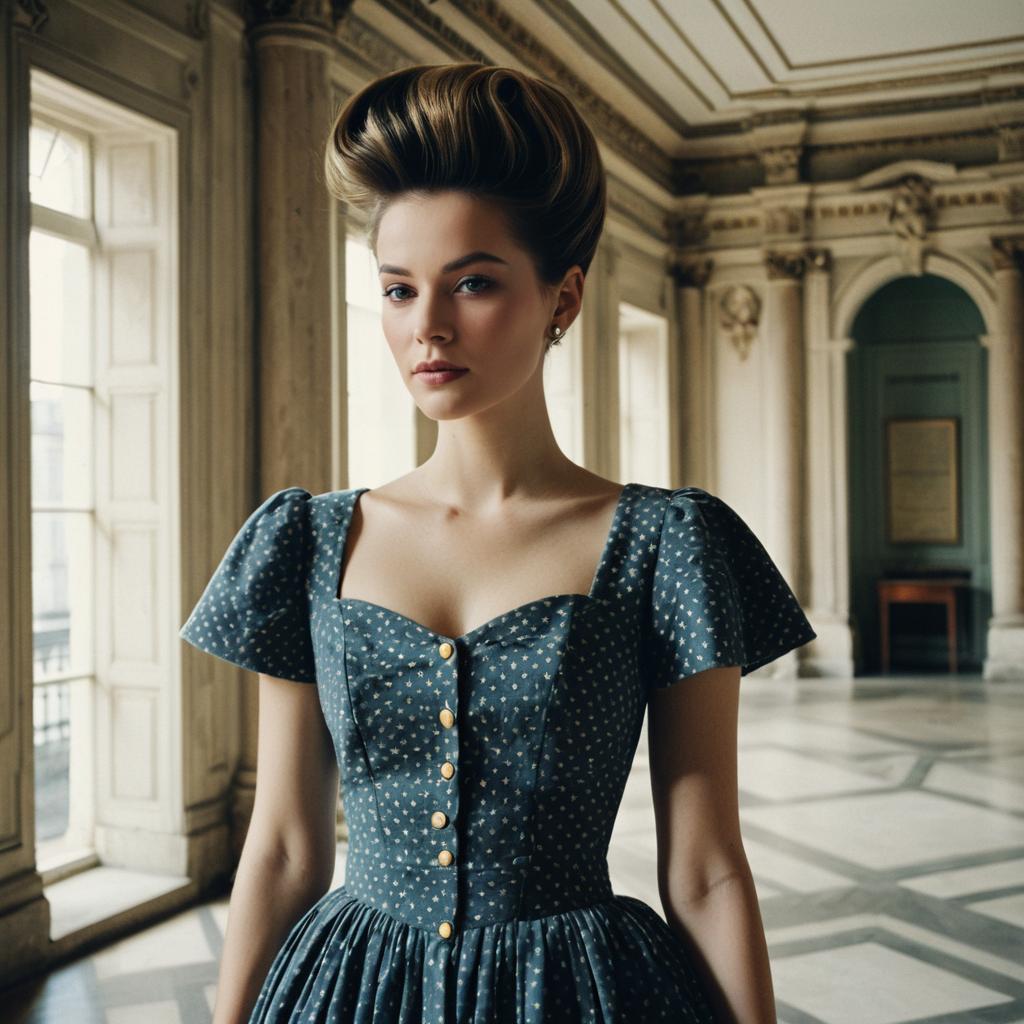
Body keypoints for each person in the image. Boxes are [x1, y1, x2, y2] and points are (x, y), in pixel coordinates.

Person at [179, 61, 817, 1024]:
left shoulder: (666, 545)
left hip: (572, 990)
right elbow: (282, 849)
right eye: (399, 290)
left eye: (472, 283)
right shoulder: (305, 540)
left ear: (563, 299)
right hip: (354, 990)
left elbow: (706, 868)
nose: (428, 327)